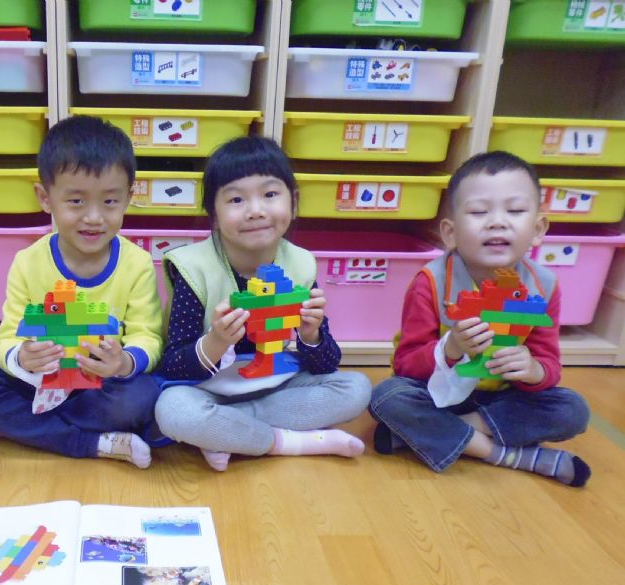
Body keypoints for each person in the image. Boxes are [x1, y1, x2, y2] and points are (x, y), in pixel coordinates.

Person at [0, 115, 162, 469]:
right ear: (45, 198)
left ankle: (21, 427)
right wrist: (22, 357)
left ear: (129, 197)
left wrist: (124, 361)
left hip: (101, 386)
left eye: (110, 202)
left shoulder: (137, 263)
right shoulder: (28, 262)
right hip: (41, 382)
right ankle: (89, 442)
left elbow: (148, 336)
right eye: (76, 201)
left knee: (143, 397)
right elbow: (8, 336)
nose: (94, 217)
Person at [368, 151, 591, 486]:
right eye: (478, 212)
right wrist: (451, 348)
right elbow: (406, 365)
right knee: (387, 397)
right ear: (450, 233)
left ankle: (429, 434)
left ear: (538, 229)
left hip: (500, 401)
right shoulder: (431, 281)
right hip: (437, 395)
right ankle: (506, 455)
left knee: (573, 409)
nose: (497, 222)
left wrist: (533, 370)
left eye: (515, 211)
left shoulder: (543, 286)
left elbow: (549, 365)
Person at [153, 136, 371, 472]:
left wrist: (311, 335)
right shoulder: (194, 268)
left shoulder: (299, 264)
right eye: (236, 199)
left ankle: (226, 430)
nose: (255, 211)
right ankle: (288, 442)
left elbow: (326, 364)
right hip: (209, 388)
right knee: (173, 410)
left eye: (270, 195)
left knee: (357, 388)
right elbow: (172, 366)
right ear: (214, 214)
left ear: (293, 202)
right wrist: (216, 341)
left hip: (276, 382)